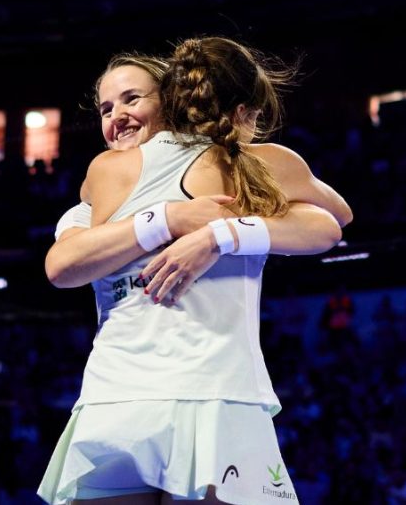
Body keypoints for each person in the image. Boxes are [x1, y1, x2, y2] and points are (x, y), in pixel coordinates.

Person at [38, 39, 352, 504]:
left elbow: (328, 224)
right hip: (204, 397)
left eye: (131, 99)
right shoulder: (249, 165)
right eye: (105, 107)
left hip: (124, 403)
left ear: (172, 99)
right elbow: (334, 218)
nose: (116, 115)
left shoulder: (106, 174)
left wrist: (215, 236)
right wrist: (171, 217)